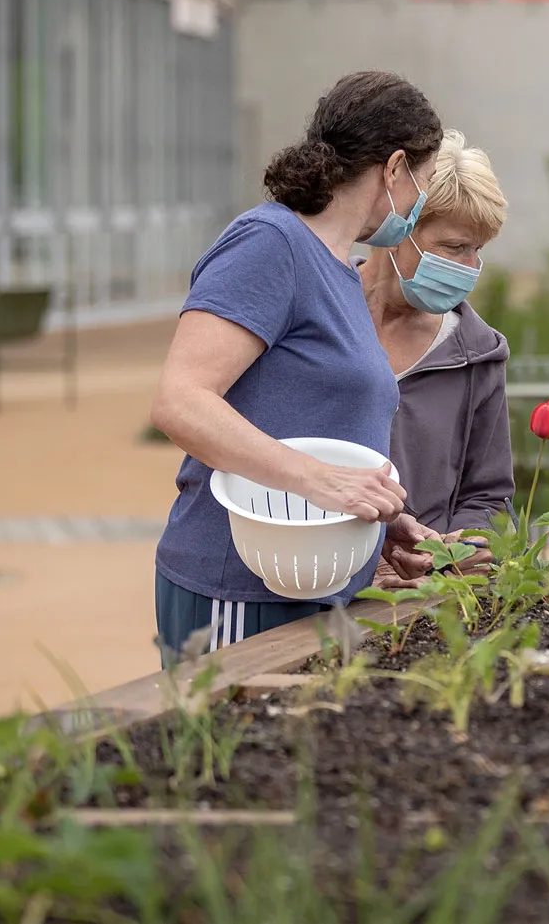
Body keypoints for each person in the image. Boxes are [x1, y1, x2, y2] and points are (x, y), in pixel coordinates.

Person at [149, 70, 444, 659]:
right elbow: (180, 402)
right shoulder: (269, 243)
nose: (421, 204)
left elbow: (310, 417)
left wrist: (373, 524)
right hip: (239, 587)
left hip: (309, 582)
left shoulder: (339, 266)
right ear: (393, 170)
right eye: (424, 182)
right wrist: (323, 483)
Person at [354, 130, 513, 587]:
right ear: (398, 226)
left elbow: (490, 496)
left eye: (476, 250)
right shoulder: (320, 322)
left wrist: (461, 550)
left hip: (423, 600)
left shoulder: (478, 354)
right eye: (453, 247)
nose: (468, 268)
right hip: (316, 587)